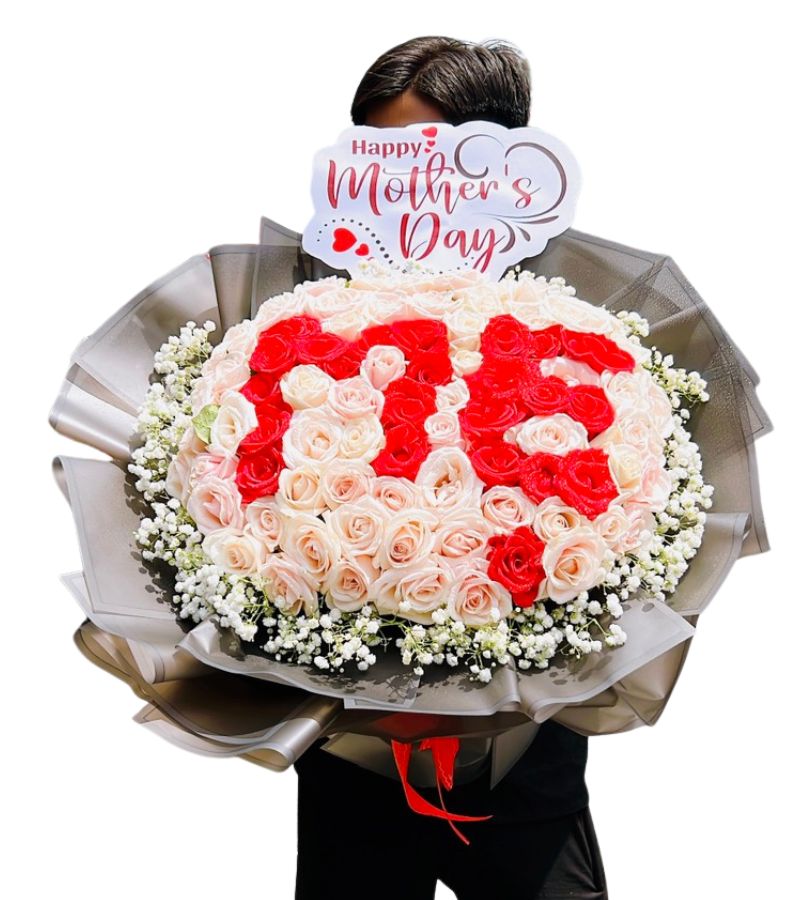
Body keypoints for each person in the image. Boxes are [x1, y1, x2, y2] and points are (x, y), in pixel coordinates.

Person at [293, 36, 609, 900]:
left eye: (419, 157)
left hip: (521, 758)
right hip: (350, 750)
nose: (398, 186)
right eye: (374, 157)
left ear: (500, 166)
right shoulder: (305, 329)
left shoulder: (573, 323)